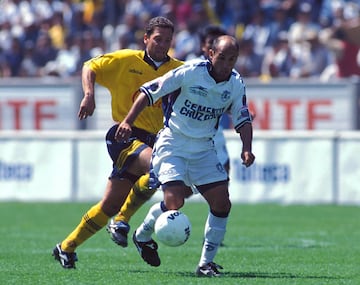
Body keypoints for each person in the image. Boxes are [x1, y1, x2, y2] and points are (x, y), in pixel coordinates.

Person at [116, 35, 255, 277]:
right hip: (173, 144)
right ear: (211, 54)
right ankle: (142, 235)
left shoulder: (235, 83)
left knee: (222, 203)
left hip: (203, 148)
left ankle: (205, 264)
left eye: (231, 59)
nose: (226, 63)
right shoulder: (190, 71)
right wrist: (127, 121)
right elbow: (149, 92)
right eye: (221, 57)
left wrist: (247, 147)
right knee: (174, 202)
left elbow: (242, 118)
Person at [52, 16, 183, 269]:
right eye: (157, 39)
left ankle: (66, 247)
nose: (162, 44)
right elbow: (90, 66)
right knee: (159, 168)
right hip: (125, 135)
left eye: (167, 40)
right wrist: (89, 95)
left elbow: (204, 90)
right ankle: (126, 224)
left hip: (156, 140)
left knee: (109, 204)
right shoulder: (125, 60)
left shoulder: (178, 69)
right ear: (146, 39)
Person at [106, 24, 231, 247]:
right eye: (212, 44)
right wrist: (128, 120)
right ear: (206, 47)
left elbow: (228, 98)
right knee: (174, 194)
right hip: (179, 139)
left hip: (210, 136)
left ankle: (210, 241)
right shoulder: (189, 67)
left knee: (218, 186)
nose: (222, 54)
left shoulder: (228, 75)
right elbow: (154, 91)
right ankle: (132, 223)